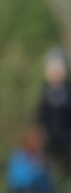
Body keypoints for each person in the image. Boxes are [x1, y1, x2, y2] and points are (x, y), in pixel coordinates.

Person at [36, 48, 71, 179]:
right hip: (49, 136)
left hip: (67, 136)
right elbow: (41, 116)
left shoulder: (67, 93)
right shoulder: (45, 94)